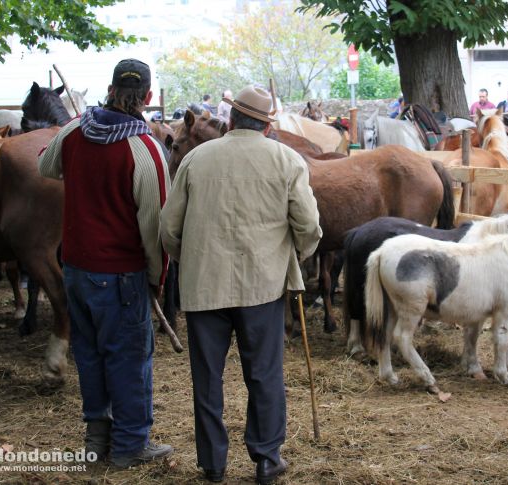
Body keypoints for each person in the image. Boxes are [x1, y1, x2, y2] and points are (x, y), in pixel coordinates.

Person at [160, 85, 322, 484]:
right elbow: (309, 228)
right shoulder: (287, 159)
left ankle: (213, 464)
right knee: (264, 374)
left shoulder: (196, 159)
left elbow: (167, 228)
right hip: (262, 287)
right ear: (267, 127)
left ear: (230, 119)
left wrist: (190, 259)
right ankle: (267, 459)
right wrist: (290, 258)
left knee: (206, 378)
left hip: (203, 286)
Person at [38, 58, 172, 468]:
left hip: (75, 269)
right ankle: (131, 445)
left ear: (111, 89)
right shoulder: (145, 149)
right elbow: (155, 226)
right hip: (119, 274)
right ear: (147, 98)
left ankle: (96, 441)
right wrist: (156, 277)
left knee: (91, 354)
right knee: (129, 358)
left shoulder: (76, 130)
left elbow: (46, 165)